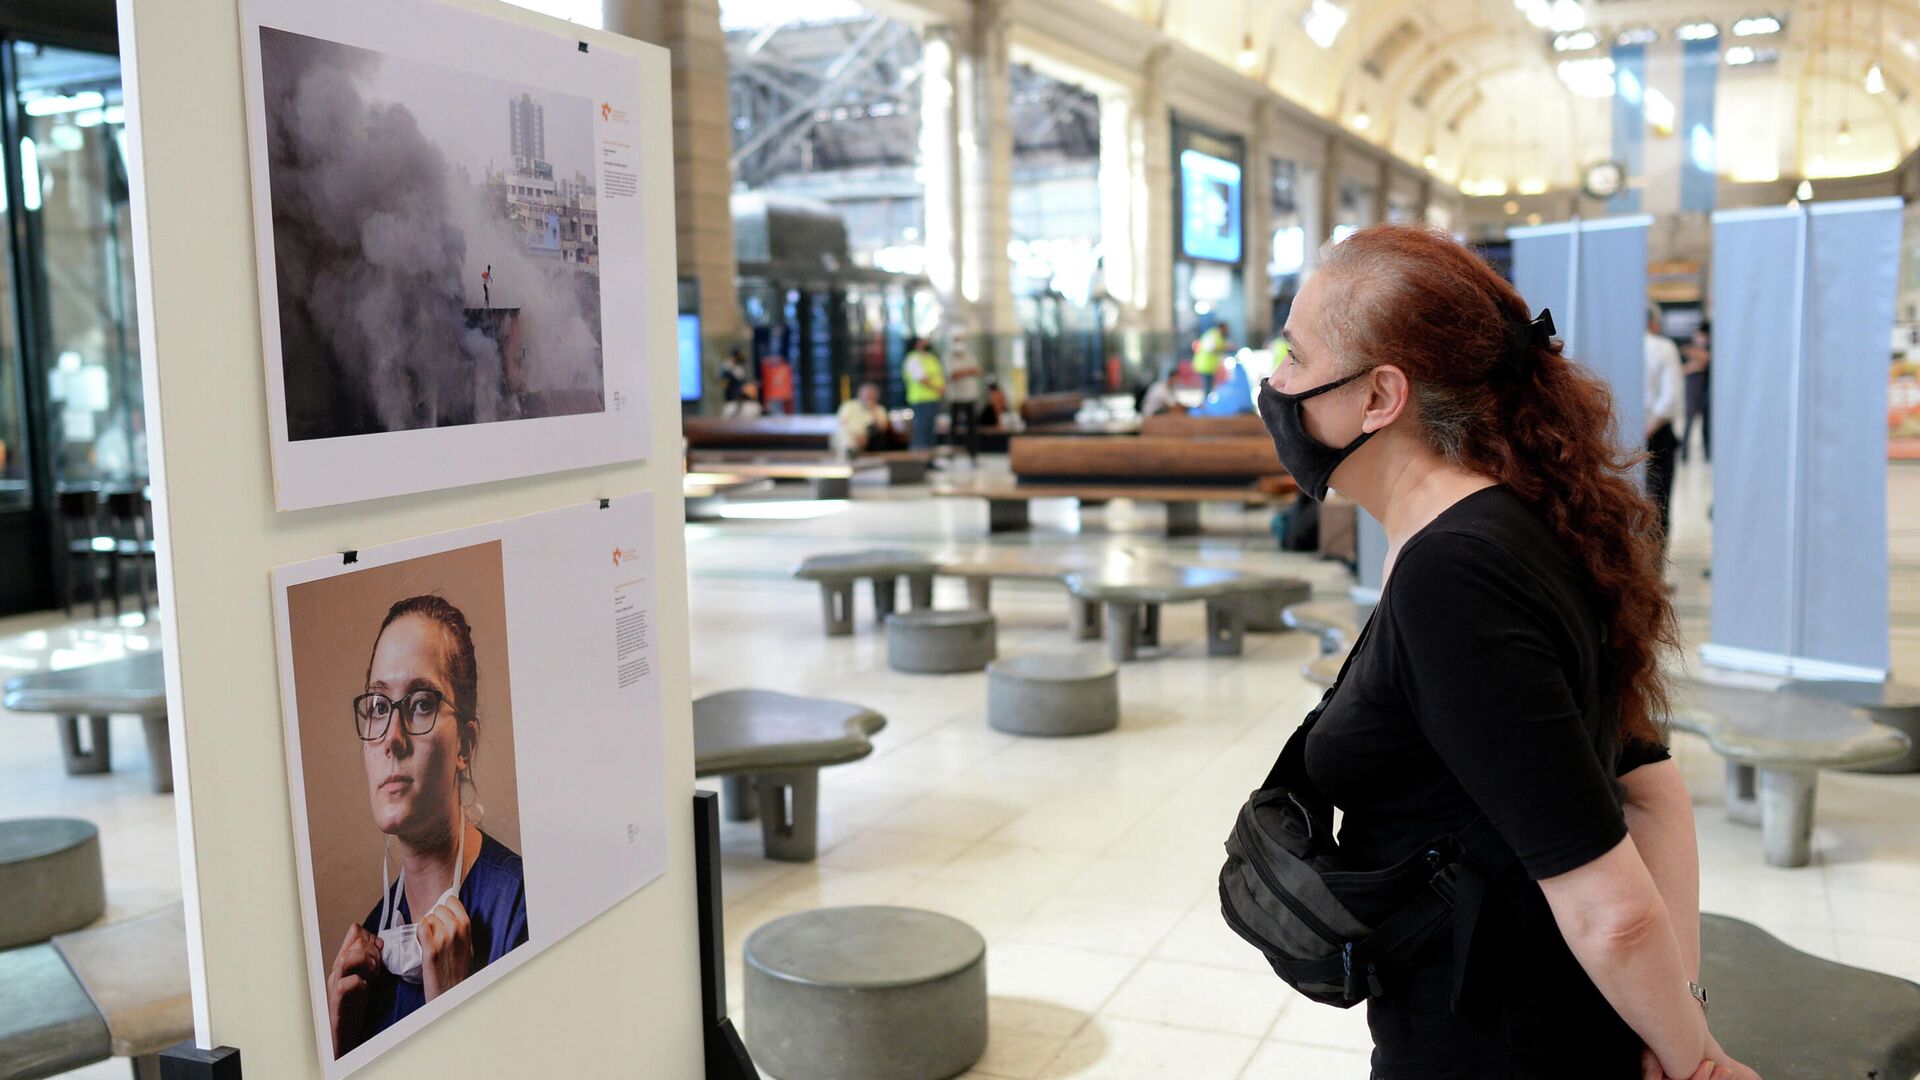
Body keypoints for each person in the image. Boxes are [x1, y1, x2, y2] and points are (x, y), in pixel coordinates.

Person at [1254, 224, 1755, 1080]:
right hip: (1552, 1020)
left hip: (1500, 1045)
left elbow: (1611, 908)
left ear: (1380, 396)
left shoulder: (1457, 575)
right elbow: (1652, 788)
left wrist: (1690, 1059)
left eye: (1295, 356)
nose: (1276, 385)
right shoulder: (1516, 522)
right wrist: (1678, 1007)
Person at [327, 596, 528, 1059]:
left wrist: (453, 1013)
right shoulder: (369, 949)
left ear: (466, 744)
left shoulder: (521, 911)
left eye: (420, 704)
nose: (391, 738)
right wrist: (341, 1047)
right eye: (378, 706)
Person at [1644, 306, 1685, 555]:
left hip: (1620, 434)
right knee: (1658, 505)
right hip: (1657, 434)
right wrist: (1647, 431)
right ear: (1655, 323)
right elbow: (1671, 398)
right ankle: (1653, 577)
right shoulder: (1663, 348)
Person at [903, 337, 946, 450]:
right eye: (922, 341)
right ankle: (919, 458)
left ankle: (929, 459)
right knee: (922, 430)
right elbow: (921, 378)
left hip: (933, 398)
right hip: (920, 400)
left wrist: (942, 389)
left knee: (931, 431)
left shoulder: (931, 358)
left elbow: (939, 375)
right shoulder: (913, 358)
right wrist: (938, 388)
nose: (926, 342)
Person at [946, 338, 984, 463]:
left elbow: (977, 370)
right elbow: (953, 375)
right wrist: (968, 371)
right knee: (954, 427)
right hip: (955, 397)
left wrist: (963, 372)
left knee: (972, 427)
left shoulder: (970, 356)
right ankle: (952, 453)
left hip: (970, 396)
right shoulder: (949, 357)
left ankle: (973, 454)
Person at [833, 382, 890, 459]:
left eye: (871, 395)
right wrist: (855, 438)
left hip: (866, 440)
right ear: (859, 394)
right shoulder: (849, 405)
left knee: (845, 449)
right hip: (846, 437)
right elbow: (842, 423)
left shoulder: (879, 410)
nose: (868, 397)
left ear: (877, 396)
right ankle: (850, 450)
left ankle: (849, 452)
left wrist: (873, 411)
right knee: (844, 433)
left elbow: (882, 428)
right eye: (866, 394)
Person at [1680, 321, 1711, 463]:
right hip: (1692, 390)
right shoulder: (1688, 347)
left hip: (1705, 390)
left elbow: (1705, 360)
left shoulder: (1709, 348)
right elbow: (1683, 367)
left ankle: (1708, 454)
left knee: (1706, 424)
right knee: (1689, 422)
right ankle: (1684, 453)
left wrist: (1696, 362)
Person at [1193, 323, 1229, 395]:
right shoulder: (1214, 335)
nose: (1227, 331)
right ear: (1221, 328)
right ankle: (1207, 404)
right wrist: (1225, 347)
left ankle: (1207, 402)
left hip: (1208, 365)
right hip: (1205, 365)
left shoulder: (1214, 335)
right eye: (1226, 329)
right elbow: (1212, 349)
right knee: (1207, 388)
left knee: (1209, 387)